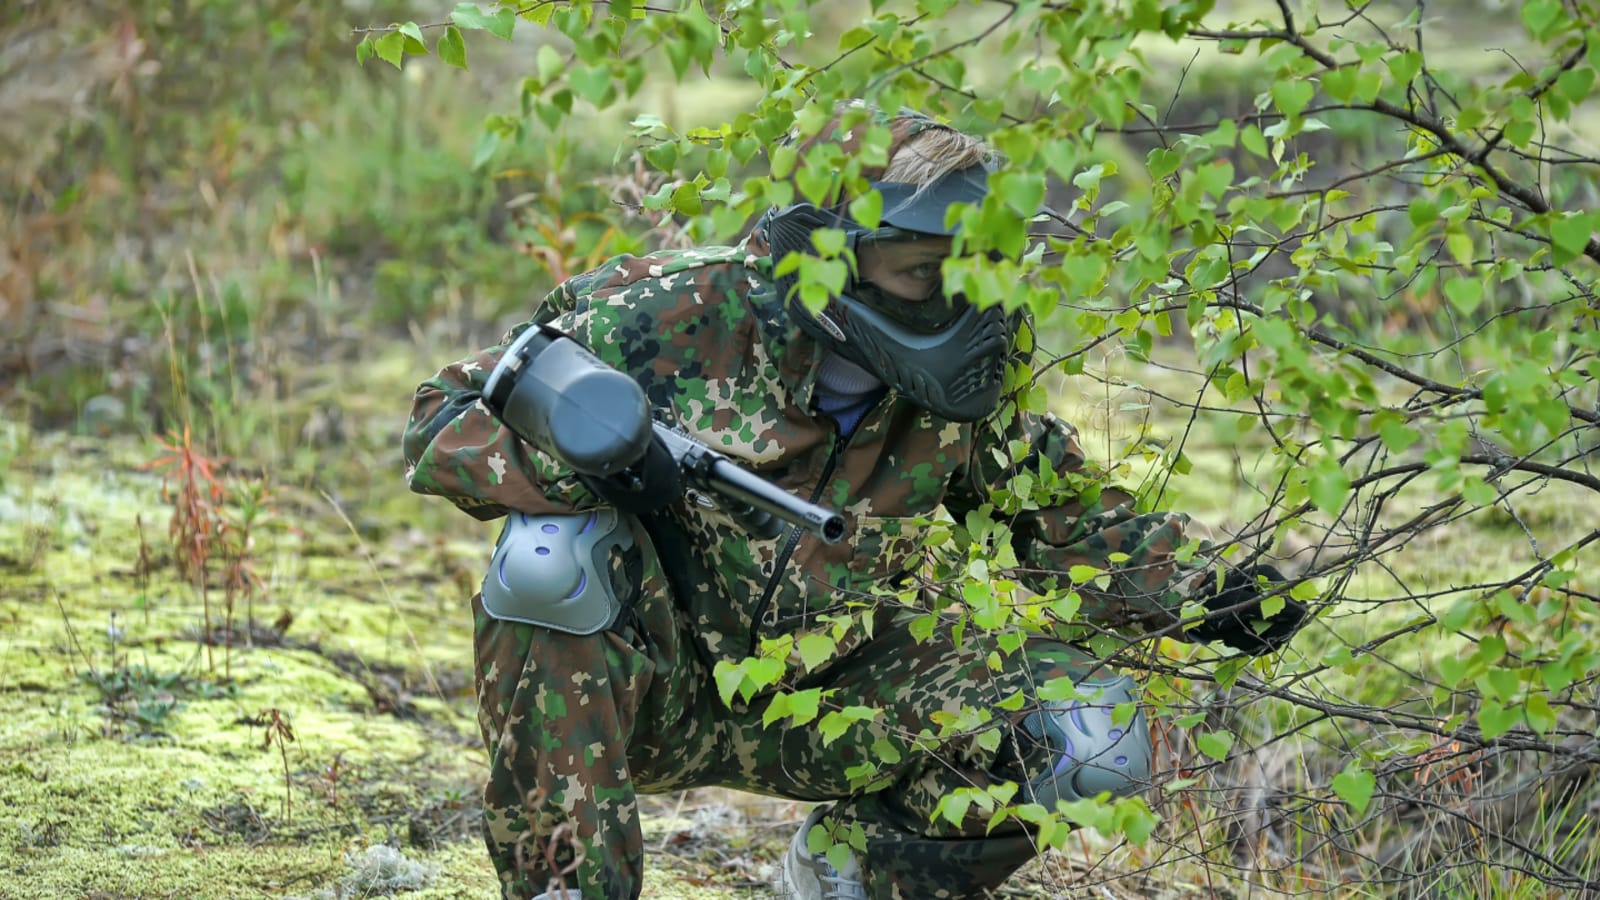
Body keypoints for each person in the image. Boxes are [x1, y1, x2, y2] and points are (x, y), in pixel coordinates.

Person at [401, 104, 1307, 900]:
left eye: (977, 272)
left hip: (837, 699)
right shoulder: (669, 313)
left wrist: (1204, 592)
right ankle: (566, 887)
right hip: (646, 686)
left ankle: (849, 874)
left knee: (1088, 730)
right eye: (922, 274)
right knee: (546, 563)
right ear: (833, 255)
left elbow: (1054, 509)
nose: (955, 303)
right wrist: (602, 466)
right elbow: (443, 420)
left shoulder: (966, 380)